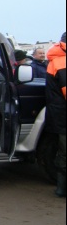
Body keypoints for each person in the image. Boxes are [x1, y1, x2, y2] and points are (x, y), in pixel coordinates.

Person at [45, 32, 66, 197]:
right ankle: (62, 188)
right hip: (63, 115)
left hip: (59, 115)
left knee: (63, 150)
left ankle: (61, 187)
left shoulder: (56, 60)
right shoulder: (62, 62)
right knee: (64, 151)